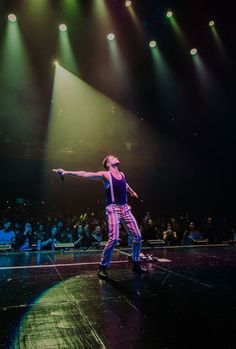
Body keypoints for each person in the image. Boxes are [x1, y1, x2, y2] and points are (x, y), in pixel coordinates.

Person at [53, 154, 147, 278]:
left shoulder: (122, 175)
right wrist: (65, 172)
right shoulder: (106, 175)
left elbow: (125, 185)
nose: (115, 157)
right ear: (108, 164)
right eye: (111, 157)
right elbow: (84, 174)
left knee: (138, 237)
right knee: (113, 239)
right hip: (113, 209)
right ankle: (102, 266)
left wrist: (132, 192)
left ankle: (136, 263)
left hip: (125, 208)